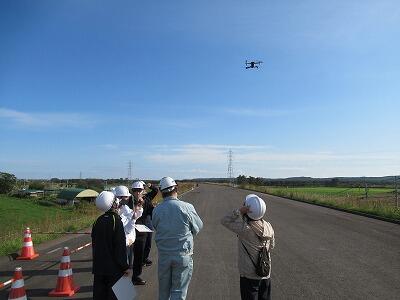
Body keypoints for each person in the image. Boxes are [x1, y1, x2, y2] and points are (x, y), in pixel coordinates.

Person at [152, 176, 203, 300]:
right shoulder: (187, 207)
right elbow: (198, 226)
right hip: (182, 255)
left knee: (163, 291)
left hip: (164, 255)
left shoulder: (157, 210)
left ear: (161, 191)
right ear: (176, 188)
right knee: (179, 292)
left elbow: (156, 226)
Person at [221, 194, 275, 300]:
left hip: (249, 275)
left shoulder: (245, 229)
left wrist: (239, 211)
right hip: (265, 272)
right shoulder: (269, 226)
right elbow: (272, 246)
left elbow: (225, 220)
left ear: (248, 210)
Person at [91, 191, 130, 300]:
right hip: (114, 269)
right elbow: (120, 247)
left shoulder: (97, 221)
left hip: (99, 268)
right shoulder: (116, 221)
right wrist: (125, 266)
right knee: (119, 296)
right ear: (113, 204)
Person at [129, 180, 159, 285]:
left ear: (143, 190)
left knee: (140, 253)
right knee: (126, 257)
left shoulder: (147, 199)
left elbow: (152, 211)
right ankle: (123, 280)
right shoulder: (128, 201)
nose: (137, 192)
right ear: (132, 191)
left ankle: (136, 276)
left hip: (142, 231)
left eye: (139, 190)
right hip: (130, 231)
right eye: (135, 190)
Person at [113, 185, 143, 269]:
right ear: (119, 198)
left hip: (129, 242)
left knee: (128, 266)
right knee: (123, 269)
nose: (128, 199)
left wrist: (139, 207)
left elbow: (134, 214)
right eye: (126, 197)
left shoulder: (124, 207)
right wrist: (133, 218)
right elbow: (127, 228)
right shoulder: (117, 213)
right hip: (123, 244)